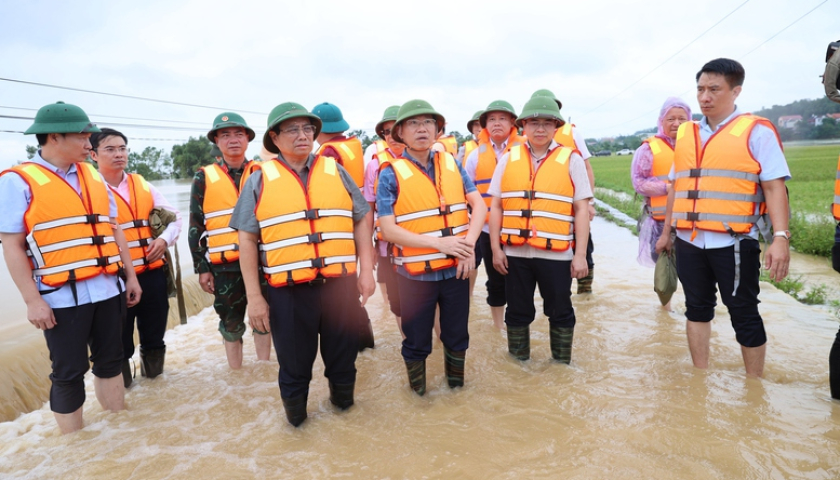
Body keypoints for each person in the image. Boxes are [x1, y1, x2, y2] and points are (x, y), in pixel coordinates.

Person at [0, 101, 142, 434]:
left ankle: (118, 435)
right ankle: (73, 448)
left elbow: (114, 228)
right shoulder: (17, 181)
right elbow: (11, 245)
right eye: (82, 136)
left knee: (111, 361)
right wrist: (32, 300)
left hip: (108, 289)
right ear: (53, 137)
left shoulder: (92, 175)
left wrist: (131, 276)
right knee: (68, 372)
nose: (89, 143)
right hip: (61, 298)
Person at [231, 102, 375, 427]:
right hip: (289, 294)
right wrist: (255, 298)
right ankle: (297, 433)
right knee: (295, 370)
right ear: (274, 137)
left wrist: (366, 270)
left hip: (339, 288)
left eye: (308, 128)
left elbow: (362, 215)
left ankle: (347, 432)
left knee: (343, 364)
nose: (303, 135)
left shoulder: (334, 170)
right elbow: (247, 241)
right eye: (293, 129)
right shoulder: (258, 179)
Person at [655, 58, 791, 377]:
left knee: (743, 311)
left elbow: (774, 188)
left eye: (714, 89)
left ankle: (754, 384)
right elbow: (676, 187)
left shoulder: (757, 131)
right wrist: (667, 232)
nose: (705, 97)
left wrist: (780, 238)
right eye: (701, 89)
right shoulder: (686, 133)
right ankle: (700, 377)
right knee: (696, 309)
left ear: (736, 90)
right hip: (689, 240)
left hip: (735, 242)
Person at [377, 99, 485, 395]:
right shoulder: (390, 173)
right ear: (400, 132)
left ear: (438, 130)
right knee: (415, 342)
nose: (422, 128)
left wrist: (468, 246)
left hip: (456, 271)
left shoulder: (452, 163)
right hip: (414, 275)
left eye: (428, 123)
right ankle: (418, 400)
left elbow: (479, 205)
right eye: (413, 123)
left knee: (457, 336)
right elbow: (388, 229)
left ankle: (456, 394)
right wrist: (441, 244)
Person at [488, 96, 591, 363]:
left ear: (557, 127)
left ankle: (560, 367)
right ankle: (518, 370)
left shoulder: (572, 160)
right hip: (515, 254)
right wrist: (496, 250)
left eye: (547, 123)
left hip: (556, 255)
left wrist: (580, 255)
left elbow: (581, 210)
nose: (540, 129)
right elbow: (496, 207)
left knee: (560, 311)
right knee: (517, 312)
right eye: (534, 123)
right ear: (523, 126)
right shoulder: (509, 158)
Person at [90, 128, 183, 386]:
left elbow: (176, 218)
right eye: (110, 149)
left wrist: (163, 240)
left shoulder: (142, 184)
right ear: (94, 155)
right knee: (117, 341)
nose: (118, 154)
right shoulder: (90, 190)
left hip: (152, 273)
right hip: (113, 280)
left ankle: (154, 389)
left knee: (154, 336)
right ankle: (125, 394)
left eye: (122, 148)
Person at [189, 112, 271, 370]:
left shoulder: (263, 173)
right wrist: (202, 268)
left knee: (265, 318)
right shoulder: (203, 177)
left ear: (247, 139)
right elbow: (195, 226)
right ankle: (236, 377)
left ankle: (263, 372)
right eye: (225, 135)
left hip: (262, 262)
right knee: (230, 323)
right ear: (216, 140)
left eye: (238, 134)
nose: (233, 140)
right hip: (225, 267)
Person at [313, 102, 375, 350]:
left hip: (339, 227)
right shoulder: (352, 145)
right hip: (357, 222)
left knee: (344, 290)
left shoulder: (328, 153)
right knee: (350, 287)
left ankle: (356, 342)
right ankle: (365, 342)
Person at [530, 89, 597, 294]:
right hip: (545, 207)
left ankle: (585, 291)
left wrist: (590, 204)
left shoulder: (572, 132)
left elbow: (586, 167)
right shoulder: (528, 136)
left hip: (572, 201)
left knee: (584, 246)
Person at [465, 100, 523, 330]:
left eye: (502, 118)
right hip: (488, 230)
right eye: (491, 119)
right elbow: (466, 194)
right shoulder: (474, 157)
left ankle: (517, 325)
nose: (497, 123)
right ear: (485, 125)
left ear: (512, 123)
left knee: (520, 282)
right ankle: (499, 328)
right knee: (495, 281)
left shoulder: (526, 149)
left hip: (520, 228)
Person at [630, 98, 691, 310]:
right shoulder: (649, 149)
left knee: (695, 273)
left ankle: (696, 310)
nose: (676, 123)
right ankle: (667, 311)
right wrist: (669, 188)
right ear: (661, 121)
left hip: (693, 223)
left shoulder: (696, 146)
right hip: (660, 223)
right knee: (666, 272)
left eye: (682, 119)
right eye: (671, 119)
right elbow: (639, 182)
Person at [363, 106, 405, 337]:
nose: (392, 136)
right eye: (387, 131)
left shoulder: (434, 161)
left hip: (426, 246)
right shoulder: (374, 165)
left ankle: (438, 354)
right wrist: (368, 246)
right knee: (398, 306)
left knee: (435, 305)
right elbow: (369, 209)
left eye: (397, 129)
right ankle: (411, 352)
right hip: (387, 247)